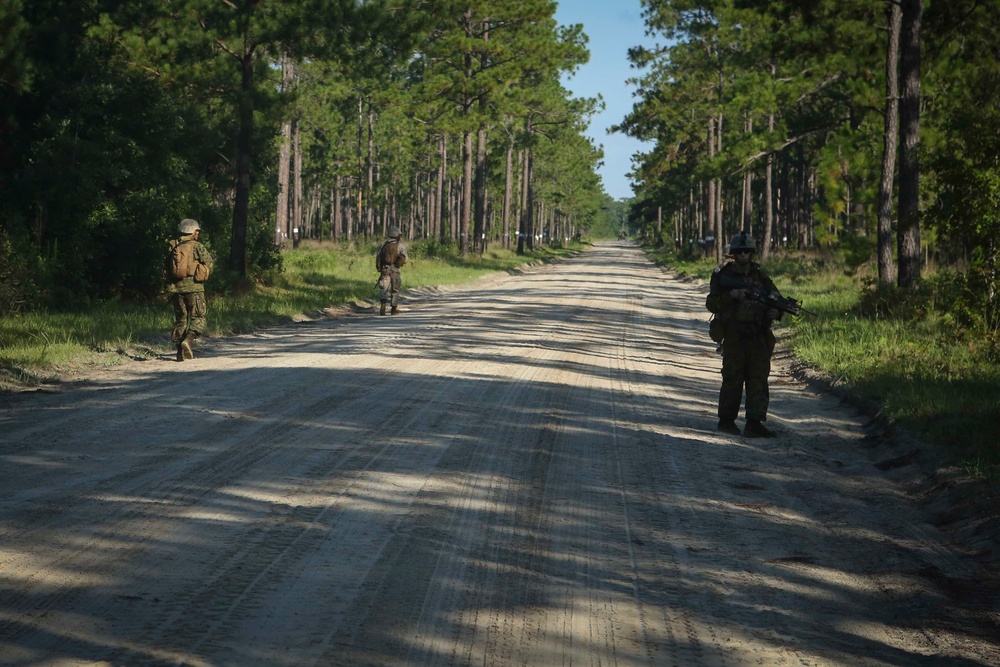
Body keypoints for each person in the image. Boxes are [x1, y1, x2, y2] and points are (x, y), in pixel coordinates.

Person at [705, 231, 783, 437]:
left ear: (752, 253)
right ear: (733, 253)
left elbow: (775, 298)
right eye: (739, 251)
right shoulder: (724, 276)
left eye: (747, 251)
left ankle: (754, 422)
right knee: (732, 378)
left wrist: (776, 311)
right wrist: (731, 296)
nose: (743, 255)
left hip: (757, 335)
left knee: (758, 379)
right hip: (734, 335)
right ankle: (726, 420)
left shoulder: (760, 276)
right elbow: (711, 303)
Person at [165, 218, 214, 361]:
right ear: (193, 232)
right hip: (195, 288)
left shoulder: (172, 245)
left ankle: (179, 352)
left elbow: (166, 266)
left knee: (181, 319)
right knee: (198, 316)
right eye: (197, 231)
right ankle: (189, 340)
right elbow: (209, 263)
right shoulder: (197, 246)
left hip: (176, 289)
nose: (198, 233)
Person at [375, 226, 408, 315]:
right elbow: (405, 259)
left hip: (385, 269)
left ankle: (383, 305)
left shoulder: (383, 245)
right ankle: (393, 309)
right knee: (395, 289)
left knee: (384, 288)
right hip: (396, 270)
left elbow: (378, 257)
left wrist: (379, 268)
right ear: (398, 236)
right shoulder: (400, 246)